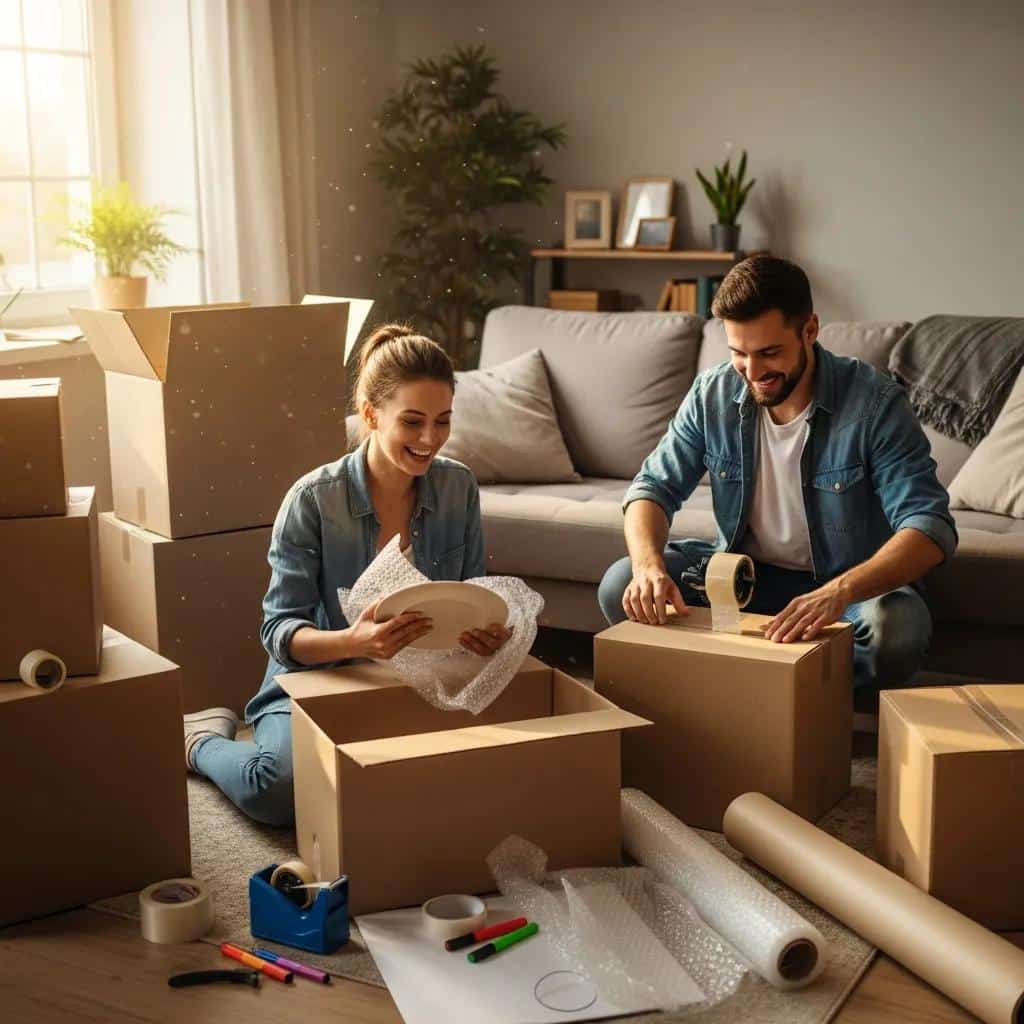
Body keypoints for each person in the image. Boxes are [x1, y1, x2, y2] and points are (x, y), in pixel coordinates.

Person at [184, 324, 512, 825]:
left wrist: (483, 634)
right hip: (317, 676)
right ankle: (203, 740)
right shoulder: (314, 499)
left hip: (419, 679)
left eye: (443, 421)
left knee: (481, 774)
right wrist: (354, 643)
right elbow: (279, 633)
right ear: (370, 416)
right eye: (413, 422)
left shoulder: (458, 488)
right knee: (277, 789)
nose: (431, 440)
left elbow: (470, 593)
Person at [598, 255, 957, 699]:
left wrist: (838, 592)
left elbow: (929, 526)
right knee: (622, 585)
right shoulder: (713, 393)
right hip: (743, 577)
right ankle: (740, 700)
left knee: (896, 629)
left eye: (769, 353)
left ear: (809, 330)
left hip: (846, 586)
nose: (753, 372)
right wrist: (648, 567)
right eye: (738, 354)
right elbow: (652, 489)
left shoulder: (874, 403)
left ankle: (806, 711)